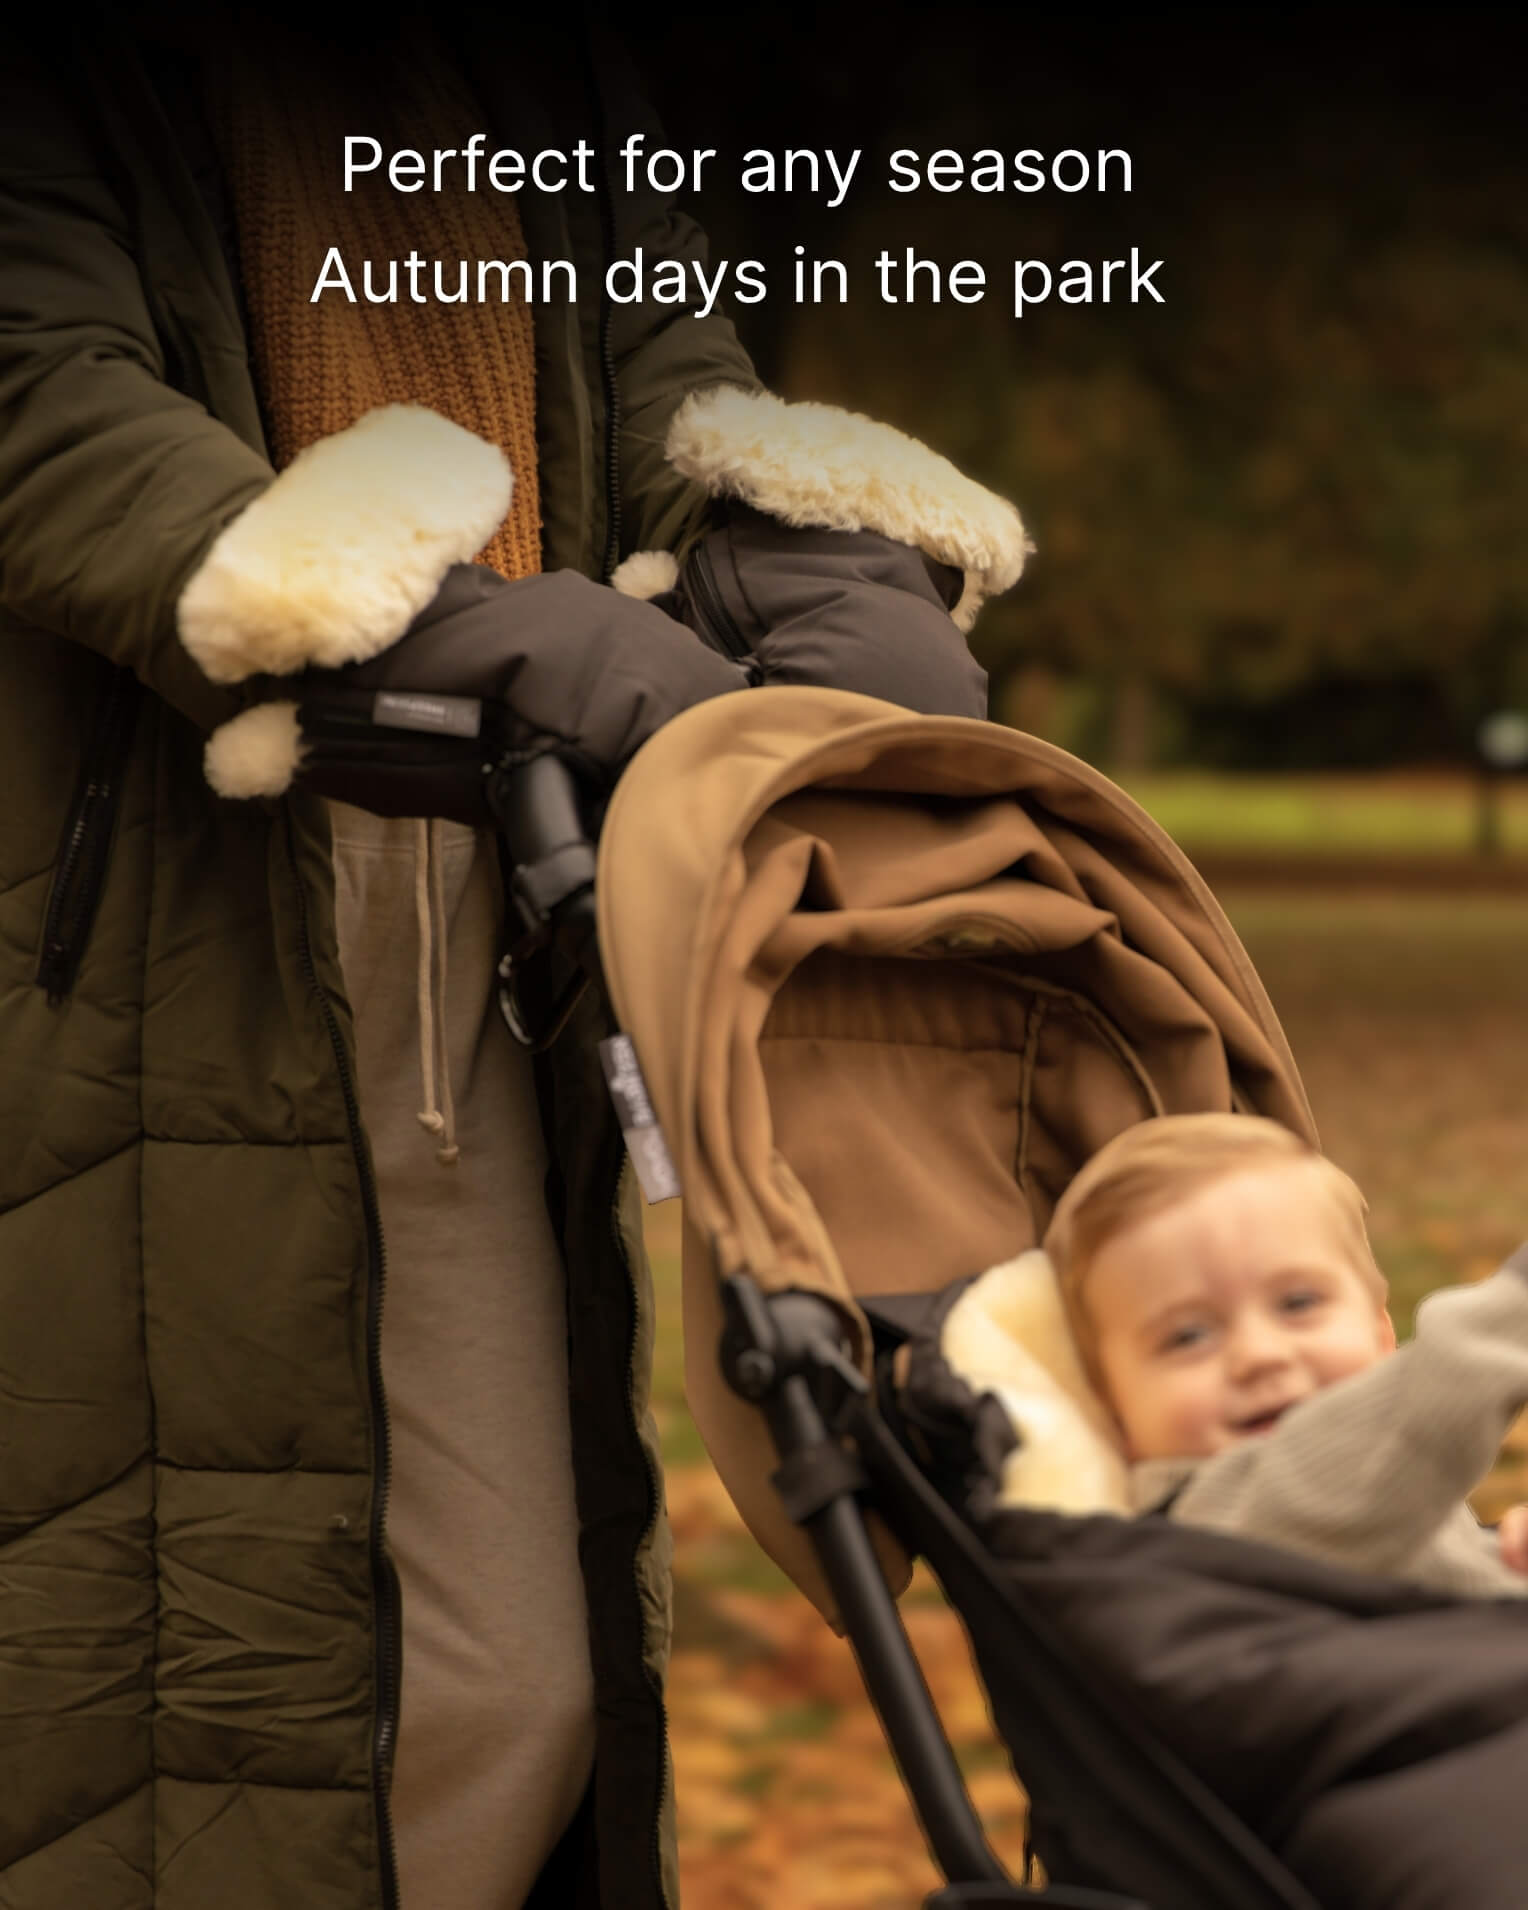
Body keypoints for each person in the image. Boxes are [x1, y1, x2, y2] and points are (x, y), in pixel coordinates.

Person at [0, 11, 1029, 1910]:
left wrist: (818, 567)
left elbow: (664, 377)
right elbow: (45, 395)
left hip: (490, 929)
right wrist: (469, 620)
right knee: (151, 1710)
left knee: (509, 1690)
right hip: (148, 950)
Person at [1041, 1113, 1528, 1596]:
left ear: (1380, 1333)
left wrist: (1498, 1562)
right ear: (1109, 1408)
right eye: (1187, 1336)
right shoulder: (1209, 1523)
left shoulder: (1375, 1479)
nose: (1260, 1354)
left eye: (1298, 1303)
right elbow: (1426, 1414)